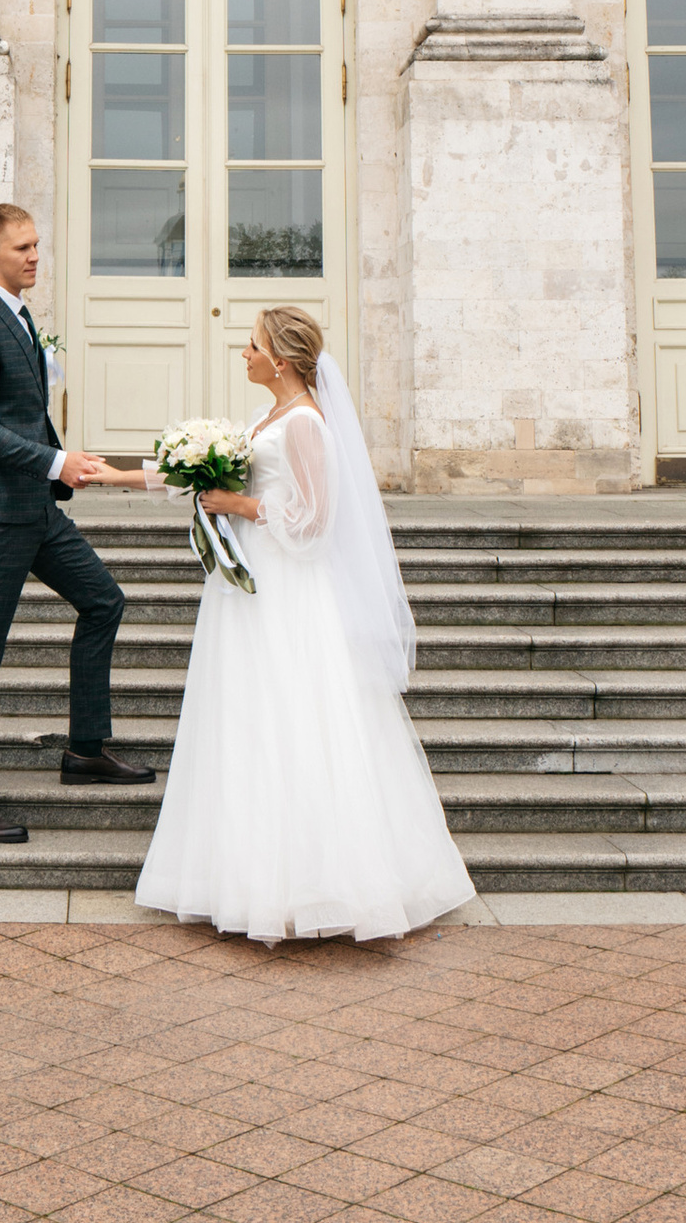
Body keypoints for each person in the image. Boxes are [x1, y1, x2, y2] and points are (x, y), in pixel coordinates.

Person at [117, 306, 473, 946]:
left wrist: (240, 505)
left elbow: (314, 520)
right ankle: (247, 876)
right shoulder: (270, 417)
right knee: (250, 723)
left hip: (288, 594)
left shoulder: (306, 422)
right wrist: (113, 473)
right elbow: (209, 470)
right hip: (250, 594)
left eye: (251, 346)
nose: (243, 354)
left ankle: (317, 884)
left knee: (296, 720)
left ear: (279, 360)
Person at [0, 202, 157, 844]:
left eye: (36, 245)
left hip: (35, 506)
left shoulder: (18, 316)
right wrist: (57, 459)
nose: (34, 256)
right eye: (22, 247)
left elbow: (23, 415)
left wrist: (55, 469)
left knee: (103, 601)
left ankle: (85, 749)